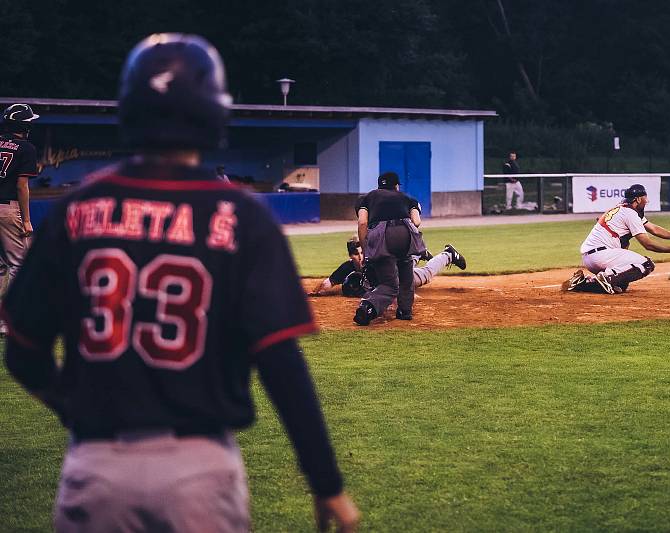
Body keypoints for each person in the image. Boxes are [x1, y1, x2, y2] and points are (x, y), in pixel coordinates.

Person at [1, 33, 358, 532]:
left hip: (97, 466)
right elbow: (281, 363)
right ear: (214, 113)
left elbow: (22, 351)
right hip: (199, 469)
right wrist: (326, 483)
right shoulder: (242, 217)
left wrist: (73, 407)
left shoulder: (78, 210)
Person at [562, 183, 670, 294]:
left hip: (591, 258)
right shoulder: (630, 214)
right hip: (602, 256)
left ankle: (583, 283)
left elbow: (654, 229)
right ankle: (605, 278)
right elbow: (648, 245)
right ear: (637, 199)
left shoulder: (623, 208)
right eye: (644, 198)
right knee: (646, 264)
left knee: (622, 284)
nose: (646, 201)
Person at [353, 171, 426, 325]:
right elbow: (417, 221)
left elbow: (362, 223)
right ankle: (405, 311)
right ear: (396, 186)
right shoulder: (407, 198)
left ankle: (368, 308)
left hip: (382, 237)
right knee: (406, 276)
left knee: (389, 284)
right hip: (405, 234)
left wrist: (367, 252)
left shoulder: (366, 198)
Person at [309, 237, 466, 298]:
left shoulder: (375, 260)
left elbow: (391, 282)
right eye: (357, 254)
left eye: (363, 252)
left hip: (398, 274)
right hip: (394, 276)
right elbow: (328, 283)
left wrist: (406, 295)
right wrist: (315, 292)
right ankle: (418, 254)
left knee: (426, 275)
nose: (361, 257)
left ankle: (448, 255)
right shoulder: (347, 267)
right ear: (351, 256)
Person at [0, 103, 38, 334]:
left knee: (1, 267)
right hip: (8, 209)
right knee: (18, 265)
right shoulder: (26, 148)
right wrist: (26, 219)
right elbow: (22, 186)